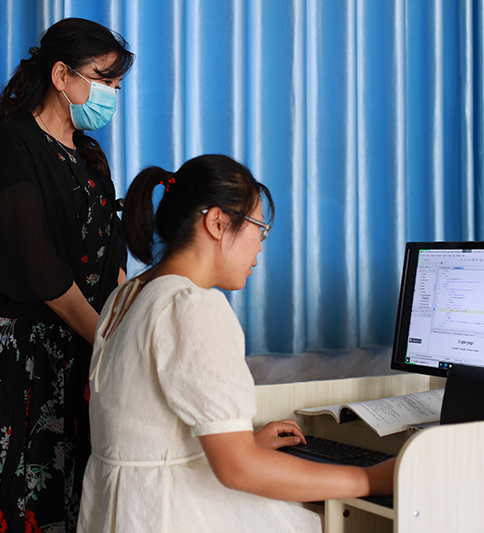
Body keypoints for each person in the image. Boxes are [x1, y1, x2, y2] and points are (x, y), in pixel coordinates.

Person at [77, 155, 394, 532]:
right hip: (168, 513)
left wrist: (242, 443)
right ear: (216, 222)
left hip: (126, 512)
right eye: (259, 227)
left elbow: (143, 435)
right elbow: (238, 470)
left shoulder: (126, 297)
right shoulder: (191, 305)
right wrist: (371, 479)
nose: (259, 245)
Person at [0, 18, 133, 533]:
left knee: (74, 498)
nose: (111, 95)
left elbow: (111, 257)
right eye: (103, 80)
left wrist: (121, 332)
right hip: (22, 355)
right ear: (61, 75)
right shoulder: (13, 145)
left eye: (117, 85)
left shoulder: (90, 156)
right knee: (14, 494)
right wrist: (109, 340)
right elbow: (41, 269)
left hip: (81, 349)